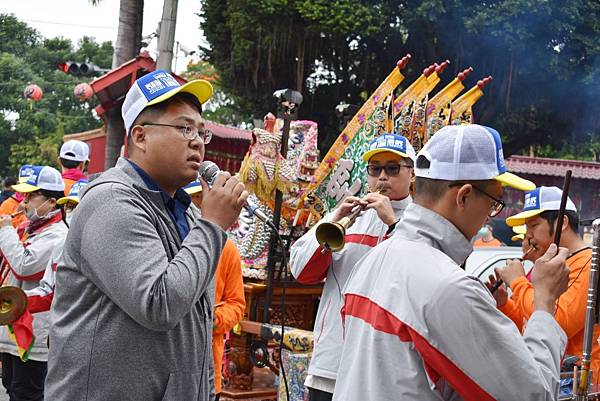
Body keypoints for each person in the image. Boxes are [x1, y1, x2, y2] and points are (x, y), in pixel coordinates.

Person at [45, 69, 248, 401]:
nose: (197, 140)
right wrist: (212, 226)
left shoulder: (188, 212)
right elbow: (159, 304)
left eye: (200, 130)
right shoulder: (112, 201)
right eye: (184, 128)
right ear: (139, 137)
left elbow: (199, 319)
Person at [332, 124, 570, 400]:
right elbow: (532, 395)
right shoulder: (448, 286)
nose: (491, 216)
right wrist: (544, 303)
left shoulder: (374, 258)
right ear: (463, 196)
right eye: (494, 202)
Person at [290, 133, 415, 401]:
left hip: (383, 372)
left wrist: (393, 223)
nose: (382, 177)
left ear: (412, 174)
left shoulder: (418, 222)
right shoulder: (347, 215)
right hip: (331, 365)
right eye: (375, 169)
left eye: (393, 169)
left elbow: (414, 277)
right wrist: (335, 218)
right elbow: (301, 271)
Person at [491, 186, 599, 380]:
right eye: (526, 229)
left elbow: (555, 324)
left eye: (533, 226)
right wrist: (505, 304)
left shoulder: (589, 263)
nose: (528, 235)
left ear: (562, 223)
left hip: (579, 385)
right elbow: (531, 327)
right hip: (554, 378)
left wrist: (517, 282)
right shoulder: (552, 266)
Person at [0, 166, 67, 401]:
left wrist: (6, 232)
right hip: (13, 329)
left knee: (27, 393)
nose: (24, 202)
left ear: (51, 202)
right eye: (24, 196)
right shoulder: (31, 229)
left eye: (31, 196)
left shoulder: (58, 235)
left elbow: (24, 267)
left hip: (34, 335)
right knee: (11, 386)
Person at [184, 181, 246, 400]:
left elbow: (237, 304)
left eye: (200, 198)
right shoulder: (169, 237)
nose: (195, 205)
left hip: (208, 359)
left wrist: (212, 319)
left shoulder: (227, 248)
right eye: (191, 199)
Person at [25, 179, 89, 314]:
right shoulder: (62, 244)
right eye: (69, 206)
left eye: (79, 206)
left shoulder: (105, 247)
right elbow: (48, 291)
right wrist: (14, 299)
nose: (72, 212)